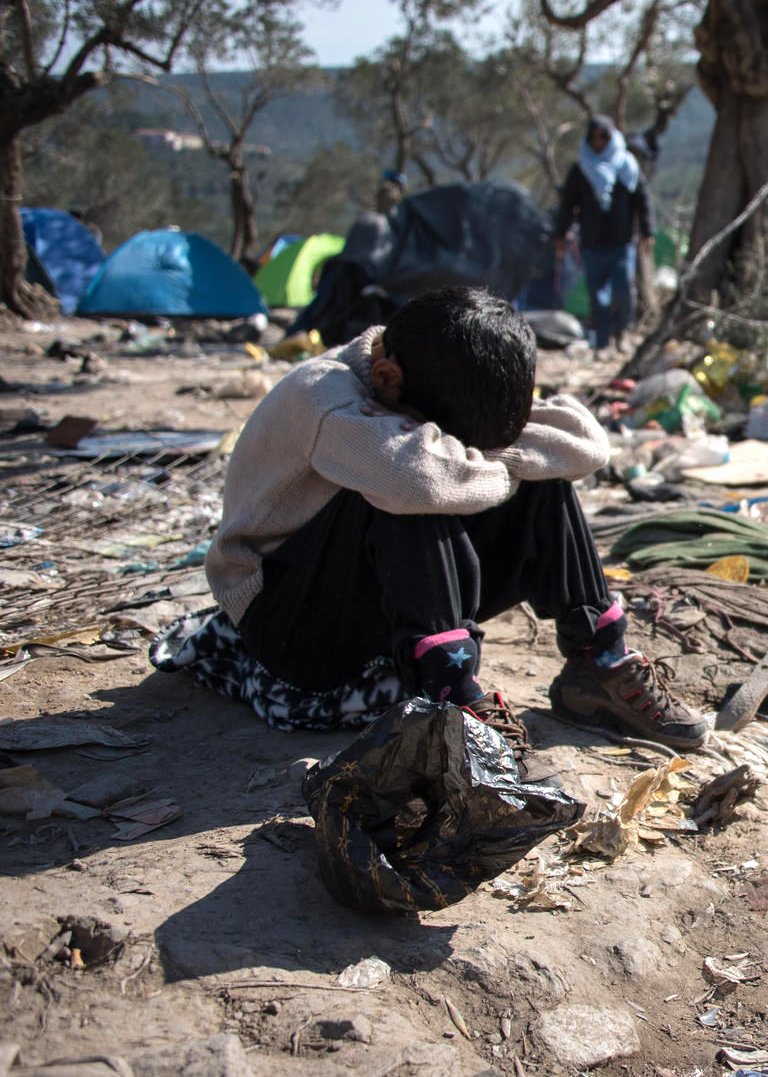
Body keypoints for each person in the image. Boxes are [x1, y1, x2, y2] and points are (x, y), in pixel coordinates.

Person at [204, 286, 709, 749]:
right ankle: (450, 702)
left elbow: (584, 443)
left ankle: (598, 663)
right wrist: (490, 463)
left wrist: (488, 456)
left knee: (541, 480)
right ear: (386, 379)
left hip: (370, 601)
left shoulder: (451, 368)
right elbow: (418, 481)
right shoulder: (322, 396)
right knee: (415, 487)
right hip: (292, 623)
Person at [556, 115, 655, 352]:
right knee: (597, 296)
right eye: (594, 137)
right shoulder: (581, 168)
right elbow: (568, 204)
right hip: (591, 243)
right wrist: (560, 234)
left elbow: (642, 199)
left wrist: (646, 230)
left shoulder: (626, 166)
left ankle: (622, 333)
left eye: (603, 137)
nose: (598, 142)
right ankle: (602, 342)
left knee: (623, 291)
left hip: (622, 242)